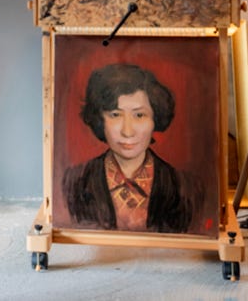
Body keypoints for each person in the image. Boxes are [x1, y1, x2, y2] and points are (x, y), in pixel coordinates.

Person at [62, 63, 199, 233]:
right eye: (115, 115)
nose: (128, 131)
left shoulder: (184, 187)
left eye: (139, 115)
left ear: (155, 119)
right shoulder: (73, 182)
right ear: (100, 120)